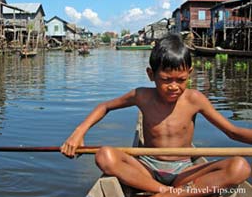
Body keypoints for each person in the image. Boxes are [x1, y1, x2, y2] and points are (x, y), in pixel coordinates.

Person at [61, 33, 252, 196]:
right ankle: (165, 192)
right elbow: (105, 106)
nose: (174, 86)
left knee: (240, 167)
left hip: (185, 172)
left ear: (189, 74)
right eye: (166, 80)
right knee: (104, 156)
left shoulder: (195, 99)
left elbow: (232, 132)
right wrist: (79, 132)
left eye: (181, 80)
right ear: (151, 75)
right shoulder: (142, 96)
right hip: (146, 170)